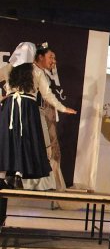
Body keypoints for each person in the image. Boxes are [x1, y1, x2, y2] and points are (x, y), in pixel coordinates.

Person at [0, 42, 76, 190]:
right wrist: (62, 108)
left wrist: (62, 108)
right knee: (23, 139)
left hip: (13, 106)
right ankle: (15, 173)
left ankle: (13, 173)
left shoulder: (11, 68)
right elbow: (47, 94)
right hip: (26, 107)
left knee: (13, 138)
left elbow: (47, 94)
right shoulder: (34, 71)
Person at [22, 43, 64, 191]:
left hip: (42, 115)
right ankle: (31, 182)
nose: (54, 61)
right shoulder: (28, 71)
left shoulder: (43, 73)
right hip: (31, 115)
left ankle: (45, 183)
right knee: (37, 146)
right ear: (40, 57)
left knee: (48, 148)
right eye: (51, 57)